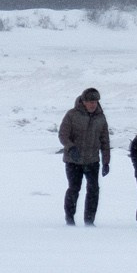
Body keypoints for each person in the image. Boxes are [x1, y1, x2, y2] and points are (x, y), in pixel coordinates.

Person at [57, 87, 110, 225]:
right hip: (73, 161)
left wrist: (106, 162)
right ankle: (69, 218)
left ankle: (89, 221)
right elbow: (63, 135)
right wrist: (71, 147)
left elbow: (105, 141)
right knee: (74, 189)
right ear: (84, 102)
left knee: (93, 190)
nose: (93, 105)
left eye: (95, 102)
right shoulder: (72, 115)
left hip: (92, 160)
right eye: (90, 102)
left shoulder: (101, 117)